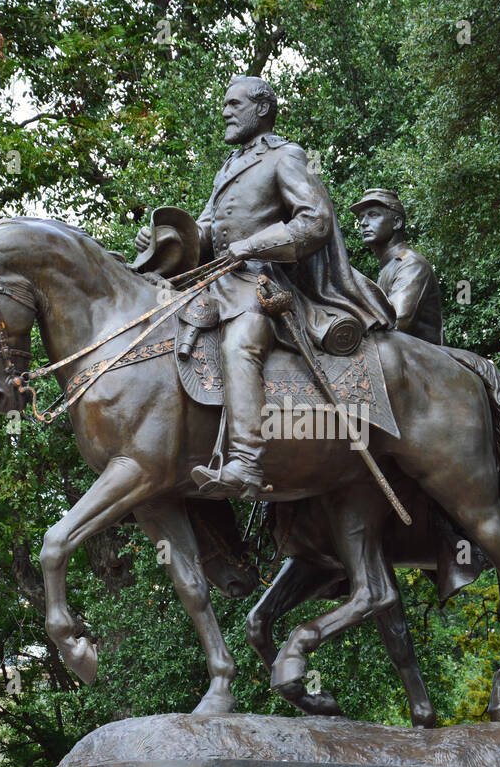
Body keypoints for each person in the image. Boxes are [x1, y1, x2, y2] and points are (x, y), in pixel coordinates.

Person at [135, 76, 393, 500]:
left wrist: (252, 245)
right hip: (215, 283)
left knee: (240, 345)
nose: (224, 111)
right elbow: (205, 232)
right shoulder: (229, 166)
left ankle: (246, 464)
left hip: (260, 284)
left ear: (261, 109)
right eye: (224, 104)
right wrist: (165, 238)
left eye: (234, 104)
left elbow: (314, 221)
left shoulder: (286, 156)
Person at [351, 189, 444, 345]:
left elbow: (395, 323)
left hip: (421, 362)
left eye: (373, 215)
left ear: (396, 222)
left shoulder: (411, 264)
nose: (364, 222)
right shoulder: (389, 266)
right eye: (361, 217)